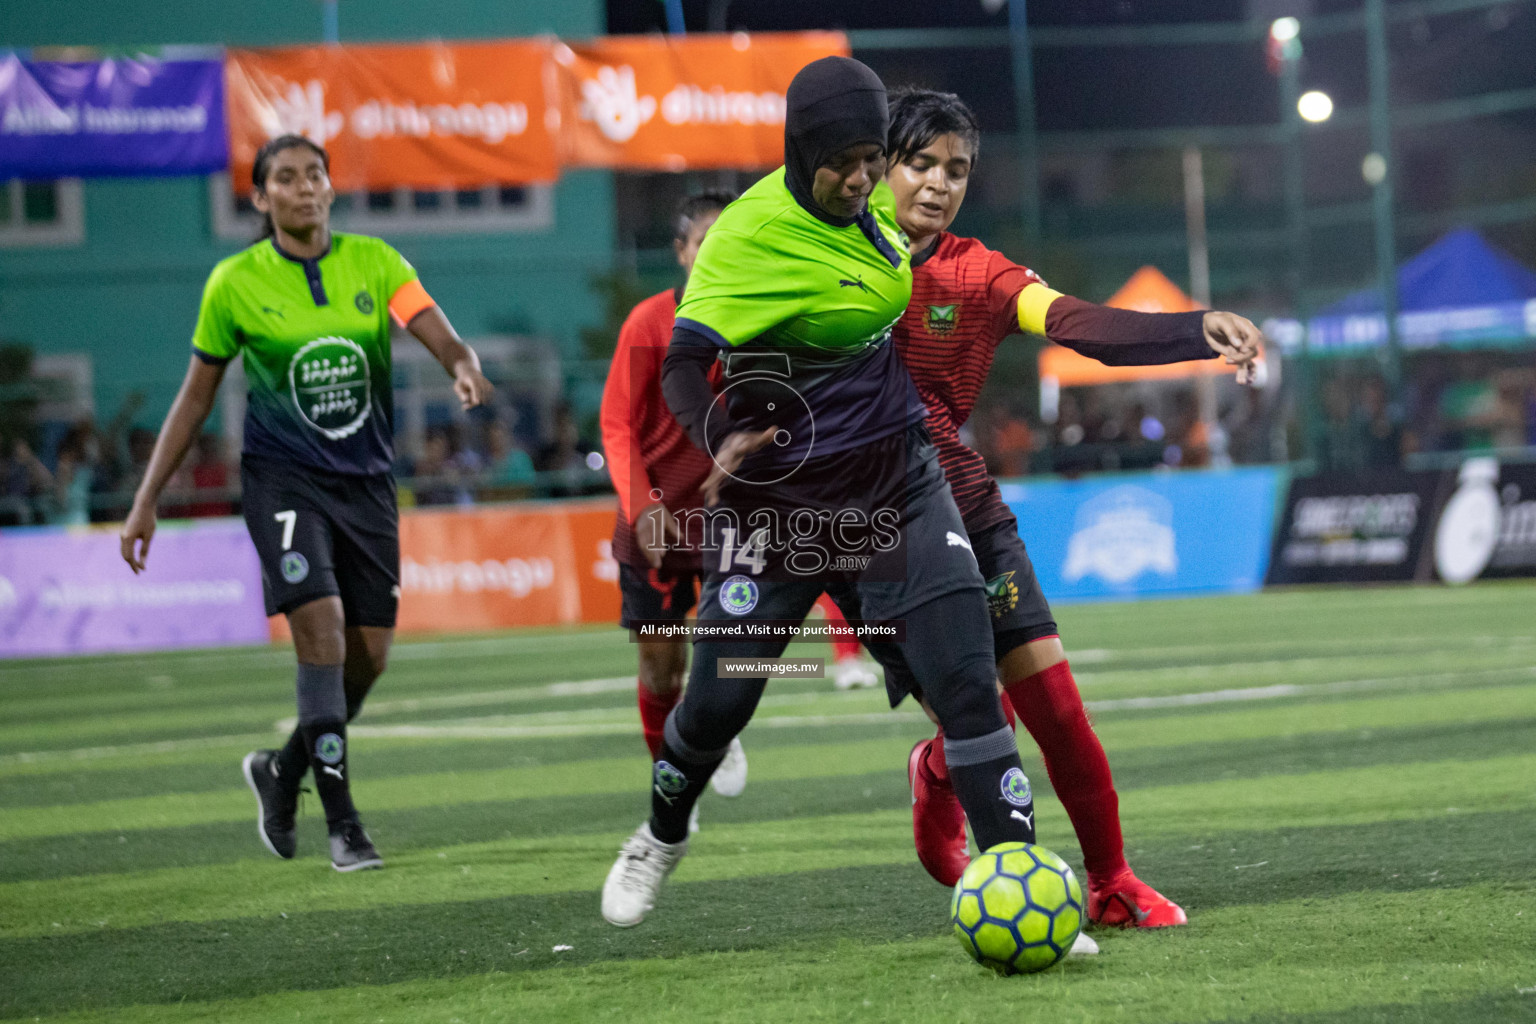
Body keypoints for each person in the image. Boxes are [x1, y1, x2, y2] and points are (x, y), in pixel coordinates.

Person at [600, 57, 1047, 934]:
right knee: (718, 703)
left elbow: (929, 198)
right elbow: (686, 363)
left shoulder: (879, 196)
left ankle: (1020, 878)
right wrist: (717, 435)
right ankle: (660, 833)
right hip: (776, 507)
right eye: (842, 163)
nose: (861, 180)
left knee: (964, 680)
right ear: (801, 152)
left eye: (873, 161)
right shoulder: (748, 238)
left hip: (895, 480)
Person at [871, 87, 1262, 926]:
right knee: (986, 713)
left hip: (967, 508)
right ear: (879, 165)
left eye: (957, 170)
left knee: (1055, 704)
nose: (938, 184)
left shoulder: (980, 274)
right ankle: (944, 774)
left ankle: (1112, 882)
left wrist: (1196, 329)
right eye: (920, 163)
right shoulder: (821, 257)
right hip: (873, 531)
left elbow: (1079, 324)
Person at [120, 134, 493, 872]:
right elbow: (196, 398)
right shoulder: (233, 282)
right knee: (319, 637)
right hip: (284, 482)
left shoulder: (377, 262)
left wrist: (464, 366)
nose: (304, 188)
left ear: (329, 187)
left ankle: (281, 771)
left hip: (366, 486)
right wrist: (145, 499)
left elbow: (439, 333)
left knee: (369, 659)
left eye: (314, 175)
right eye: (285, 179)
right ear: (260, 199)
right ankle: (345, 825)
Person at [600, 191, 748, 808]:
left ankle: (712, 720)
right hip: (655, 524)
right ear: (683, 252)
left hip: (734, 523)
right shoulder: (648, 322)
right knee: (662, 668)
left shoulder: (763, 321)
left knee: (733, 655)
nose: (717, 250)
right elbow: (616, 425)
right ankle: (673, 790)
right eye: (704, 239)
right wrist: (642, 507)